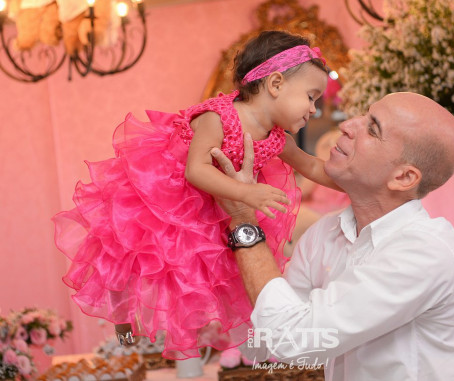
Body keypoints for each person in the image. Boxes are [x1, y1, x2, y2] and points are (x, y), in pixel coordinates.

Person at [53, 30, 341, 359]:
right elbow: (196, 170)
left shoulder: (278, 139)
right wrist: (245, 192)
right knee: (132, 256)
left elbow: (313, 167)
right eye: (311, 97)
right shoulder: (219, 117)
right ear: (276, 84)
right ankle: (122, 326)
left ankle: (202, 343)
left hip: (209, 208)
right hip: (163, 194)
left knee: (196, 276)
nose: (314, 109)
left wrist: (356, 182)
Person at [211, 92, 454, 380]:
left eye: (373, 129)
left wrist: (243, 221)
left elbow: (293, 339)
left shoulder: (425, 251)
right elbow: (266, 334)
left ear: (403, 177)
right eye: (363, 114)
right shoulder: (326, 232)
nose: (347, 125)